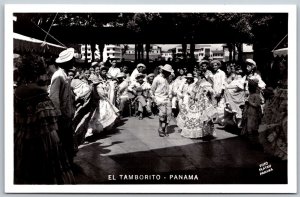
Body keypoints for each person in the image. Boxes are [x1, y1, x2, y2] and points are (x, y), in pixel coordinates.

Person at [14, 54, 75, 184]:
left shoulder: (17, 91)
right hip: (42, 140)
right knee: (47, 173)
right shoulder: (38, 92)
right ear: (37, 71)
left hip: (22, 138)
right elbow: (49, 120)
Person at [49, 48, 76, 166]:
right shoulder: (58, 76)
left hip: (67, 113)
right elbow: (53, 97)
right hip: (62, 116)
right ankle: (64, 164)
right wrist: (59, 114)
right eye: (72, 60)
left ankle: (69, 162)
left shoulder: (65, 75)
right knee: (64, 140)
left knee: (68, 139)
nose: (74, 61)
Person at [259, 60, 287, 160]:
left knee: (284, 125)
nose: (280, 69)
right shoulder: (281, 79)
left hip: (286, 107)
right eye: (280, 67)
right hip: (278, 107)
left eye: (282, 67)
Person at [176, 68, 217, 139]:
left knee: (203, 117)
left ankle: (204, 133)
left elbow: (211, 92)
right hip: (195, 102)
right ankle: (199, 132)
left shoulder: (204, 82)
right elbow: (194, 91)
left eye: (195, 72)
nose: (194, 73)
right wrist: (192, 95)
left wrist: (204, 94)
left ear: (200, 73)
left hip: (202, 102)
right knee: (192, 114)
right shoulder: (197, 81)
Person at [151, 64, 173, 137]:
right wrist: (155, 99)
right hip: (159, 99)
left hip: (167, 99)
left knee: (169, 114)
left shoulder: (167, 79)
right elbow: (152, 90)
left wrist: (170, 96)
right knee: (162, 114)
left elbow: (168, 88)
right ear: (164, 71)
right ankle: (160, 128)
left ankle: (165, 128)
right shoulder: (157, 79)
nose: (169, 74)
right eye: (168, 72)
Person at [241, 78, 262, 146]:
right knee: (249, 127)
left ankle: (255, 142)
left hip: (254, 113)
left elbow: (257, 105)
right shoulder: (251, 94)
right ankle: (251, 142)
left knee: (254, 127)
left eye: (250, 87)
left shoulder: (257, 95)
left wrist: (249, 103)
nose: (249, 88)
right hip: (250, 113)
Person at [210, 60, 227, 125]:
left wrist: (220, 92)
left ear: (218, 66)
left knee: (221, 105)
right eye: (213, 66)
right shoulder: (212, 74)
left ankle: (221, 120)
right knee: (214, 105)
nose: (214, 67)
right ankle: (215, 119)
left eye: (216, 65)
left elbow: (223, 83)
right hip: (214, 91)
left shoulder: (221, 73)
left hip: (220, 91)